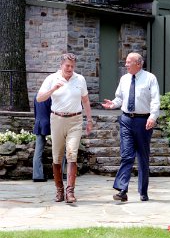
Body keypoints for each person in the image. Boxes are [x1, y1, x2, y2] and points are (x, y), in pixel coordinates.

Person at [102, 52, 160, 202]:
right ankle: (122, 190)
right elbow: (120, 98)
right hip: (126, 120)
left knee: (143, 157)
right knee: (126, 155)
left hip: (143, 121)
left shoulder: (150, 78)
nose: (126, 64)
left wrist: (153, 117)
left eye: (129, 62)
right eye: (126, 62)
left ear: (138, 64)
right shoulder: (124, 79)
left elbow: (155, 100)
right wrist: (113, 104)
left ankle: (143, 191)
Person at [36, 52, 93, 203]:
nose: (70, 69)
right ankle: (59, 191)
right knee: (57, 157)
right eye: (67, 66)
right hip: (57, 119)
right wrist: (53, 88)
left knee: (72, 154)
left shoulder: (80, 79)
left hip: (75, 119)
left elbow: (85, 100)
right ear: (61, 65)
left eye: (72, 66)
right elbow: (39, 98)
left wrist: (89, 120)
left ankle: (70, 192)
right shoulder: (51, 79)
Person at [32, 95, 51, 182]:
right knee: (60, 150)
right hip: (49, 124)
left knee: (38, 152)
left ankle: (37, 176)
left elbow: (35, 112)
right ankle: (60, 174)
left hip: (38, 123)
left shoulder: (36, 96)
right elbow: (52, 112)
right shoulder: (50, 97)